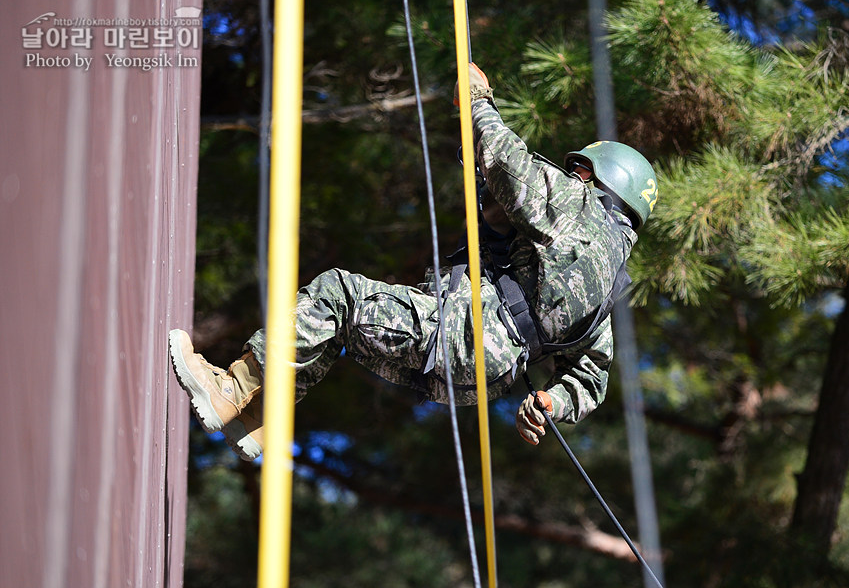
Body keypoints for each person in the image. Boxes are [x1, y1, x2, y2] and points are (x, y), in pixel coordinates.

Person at [168, 62, 658, 461]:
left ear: (597, 179)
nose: (570, 175)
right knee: (342, 326)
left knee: (336, 296)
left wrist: (478, 103)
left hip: (467, 334)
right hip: (481, 380)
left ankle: (233, 389)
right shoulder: (609, 281)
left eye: (577, 170)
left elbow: (512, 167)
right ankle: (257, 417)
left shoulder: (580, 205)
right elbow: (591, 378)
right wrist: (553, 402)